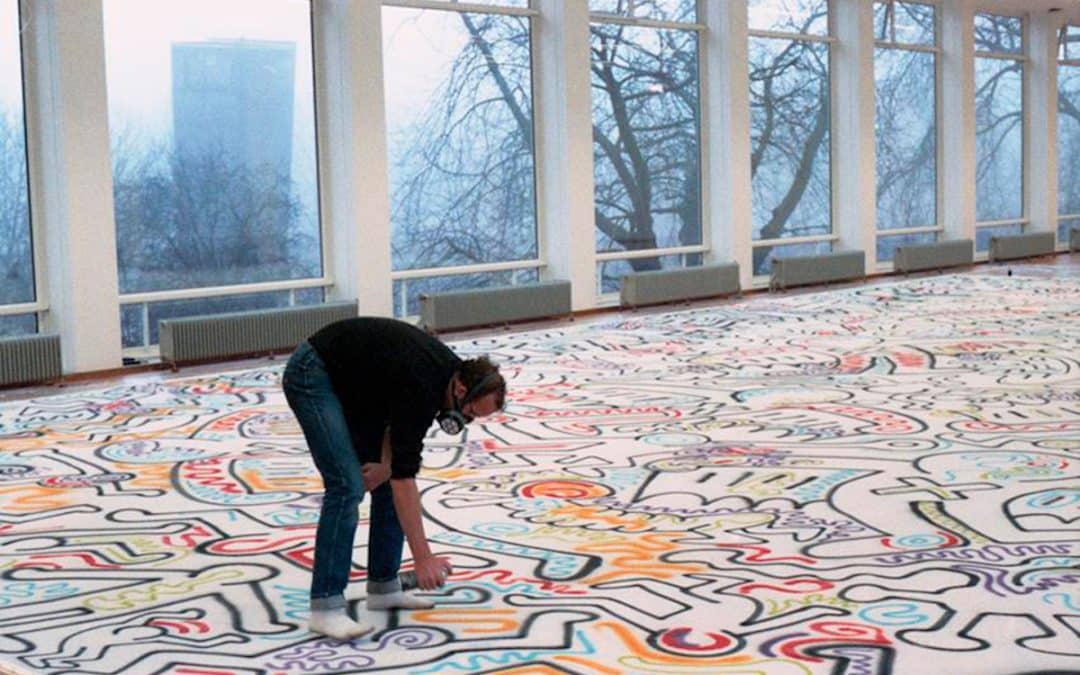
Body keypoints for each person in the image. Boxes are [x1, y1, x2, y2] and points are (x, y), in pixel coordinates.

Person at [282, 316, 506, 640]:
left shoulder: (445, 377)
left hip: (360, 389)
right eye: (470, 413)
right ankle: (325, 607)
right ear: (460, 389)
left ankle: (383, 586)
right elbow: (405, 477)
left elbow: (397, 432)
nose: (464, 421)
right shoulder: (425, 384)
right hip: (313, 374)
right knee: (346, 486)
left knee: (386, 478)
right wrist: (423, 558)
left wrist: (385, 463)